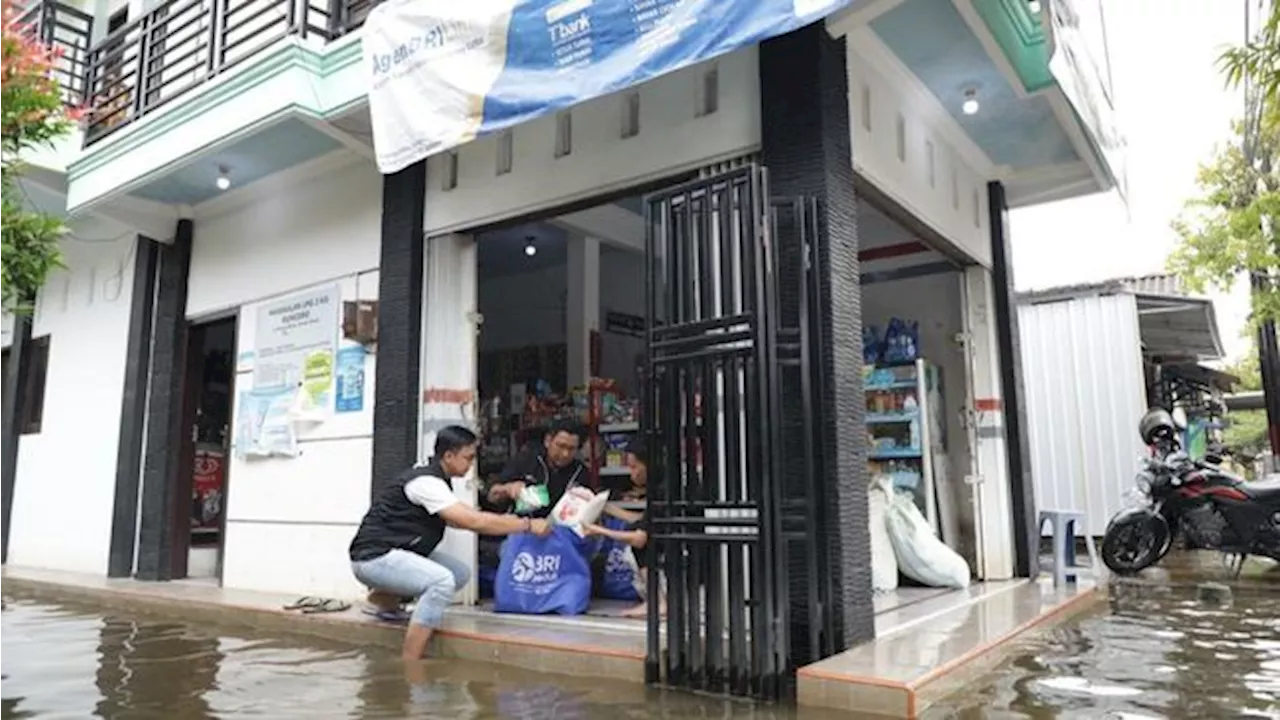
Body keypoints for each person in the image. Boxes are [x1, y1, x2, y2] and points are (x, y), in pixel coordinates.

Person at [349, 425, 552, 661]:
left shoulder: (436, 480)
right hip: (373, 557)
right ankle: (411, 662)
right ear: (448, 456)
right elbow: (470, 520)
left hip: (393, 553)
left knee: (458, 574)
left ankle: (382, 602)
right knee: (441, 581)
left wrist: (503, 520)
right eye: (468, 458)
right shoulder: (427, 482)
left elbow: (461, 517)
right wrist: (526, 525)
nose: (471, 464)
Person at [583, 436, 663, 619]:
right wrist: (604, 506)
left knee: (639, 545)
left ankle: (658, 601)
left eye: (634, 467)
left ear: (648, 465)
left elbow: (639, 537)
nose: (631, 473)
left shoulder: (661, 492)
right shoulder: (662, 487)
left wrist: (597, 530)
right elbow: (642, 520)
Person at [485, 418, 587, 517]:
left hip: (561, 529)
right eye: (561, 446)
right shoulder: (526, 460)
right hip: (522, 526)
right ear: (547, 441)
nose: (565, 454)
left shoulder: (580, 471)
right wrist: (508, 489)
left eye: (571, 449)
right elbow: (492, 495)